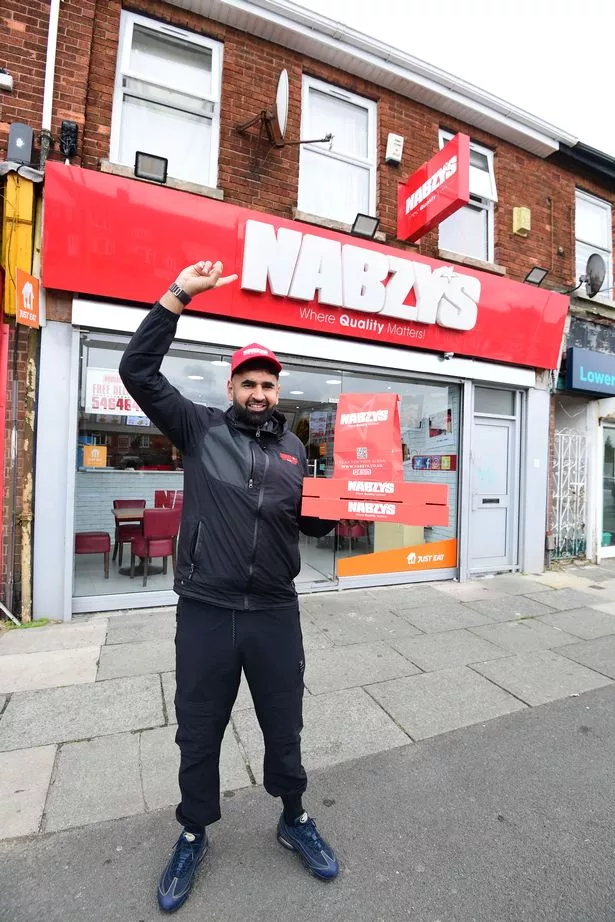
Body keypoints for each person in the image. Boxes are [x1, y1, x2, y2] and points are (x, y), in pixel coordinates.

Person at [119, 260, 339, 913]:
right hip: (208, 610)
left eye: (268, 383)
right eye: (248, 381)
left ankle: (293, 817)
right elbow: (138, 372)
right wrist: (178, 295)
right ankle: (192, 832)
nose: (259, 392)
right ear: (231, 385)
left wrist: (331, 512)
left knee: (284, 724)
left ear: (278, 389)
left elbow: (310, 523)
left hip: (274, 610)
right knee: (198, 728)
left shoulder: (296, 454)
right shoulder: (201, 431)